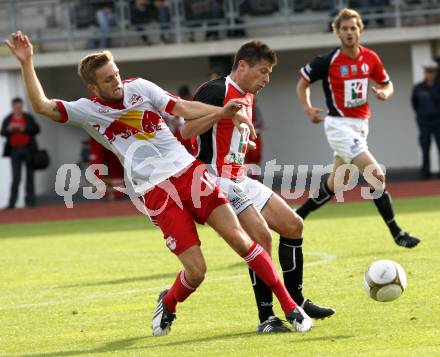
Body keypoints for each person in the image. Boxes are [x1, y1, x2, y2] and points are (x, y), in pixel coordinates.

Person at [5, 31, 313, 336]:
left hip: (190, 173)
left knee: (242, 240)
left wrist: (223, 113)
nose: (116, 82)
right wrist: (27, 63)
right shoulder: (88, 110)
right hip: (156, 192)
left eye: (116, 74)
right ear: (93, 86)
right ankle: (168, 301)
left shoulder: (139, 87)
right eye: (108, 80)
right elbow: (42, 106)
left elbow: (180, 108)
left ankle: (290, 309)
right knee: (196, 272)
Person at [181, 40, 334, 334]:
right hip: (215, 178)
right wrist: (222, 114)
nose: (267, 79)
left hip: (239, 176)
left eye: (269, 73)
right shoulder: (216, 91)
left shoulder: (248, 96)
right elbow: (187, 130)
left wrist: (243, 139)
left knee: (293, 225)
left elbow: (226, 133)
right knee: (261, 237)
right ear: (242, 66)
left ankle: (297, 300)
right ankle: (267, 317)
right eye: (263, 71)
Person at [295, 8, 421, 248]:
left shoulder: (370, 58)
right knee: (376, 175)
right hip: (338, 126)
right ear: (337, 32)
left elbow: (387, 83)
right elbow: (302, 83)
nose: (349, 32)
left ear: (360, 30)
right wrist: (307, 108)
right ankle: (397, 233)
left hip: (361, 126)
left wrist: (385, 92)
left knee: (336, 184)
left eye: (353, 28)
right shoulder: (327, 61)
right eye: (344, 28)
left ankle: (298, 215)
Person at [1, 97, 40, 209]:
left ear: (22, 106)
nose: (18, 108)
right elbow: (3, 132)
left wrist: (25, 129)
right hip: (14, 151)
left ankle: (31, 203)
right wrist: (9, 129)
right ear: (12, 107)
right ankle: (12, 204)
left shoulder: (28, 118)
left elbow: (37, 129)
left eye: (19, 106)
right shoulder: (8, 119)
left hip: (28, 150)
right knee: (16, 178)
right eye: (15, 107)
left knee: (29, 176)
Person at [411, 61, 440, 180]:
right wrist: (421, 117)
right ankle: (425, 174)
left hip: (438, 121)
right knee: (424, 147)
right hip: (424, 123)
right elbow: (414, 104)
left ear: (436, 72)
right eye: (428, 71)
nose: (430, 74)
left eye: (432, 71)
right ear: (424, 72)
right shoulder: (418, 88)